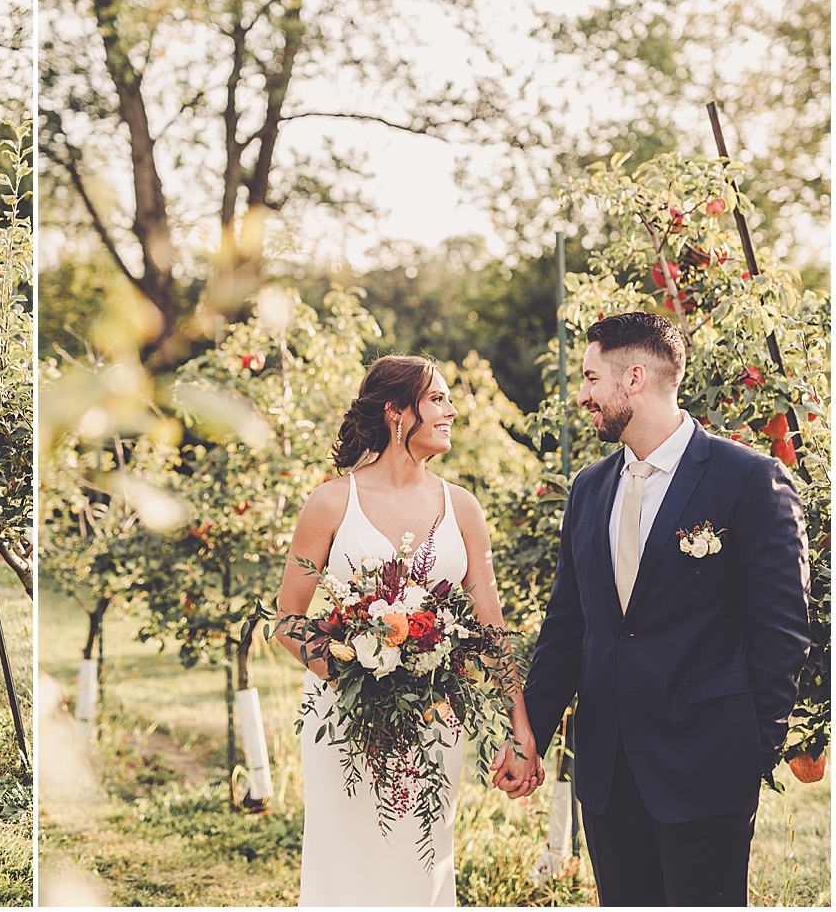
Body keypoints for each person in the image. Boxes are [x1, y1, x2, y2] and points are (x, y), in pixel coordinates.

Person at [508, 312, 810, 906]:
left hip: (708, 766)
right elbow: (568, 628)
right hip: (606, 772)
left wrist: (753, 749)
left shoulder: (749, 480)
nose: (582, 395)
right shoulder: (589, 489)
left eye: (592, 378)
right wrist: (530, 738)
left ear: (635, 378)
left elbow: (782, 631)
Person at [277, 354, 540, 908]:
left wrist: (520, 726)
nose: (452, 410)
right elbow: (288, 622)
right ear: (397, 412)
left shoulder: (462, 509)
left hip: (433, 718)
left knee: (422, 861)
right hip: (344, 718)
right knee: (345, 863)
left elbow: (492, 631)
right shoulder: (330, 503)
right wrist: (357, 675)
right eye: (437, 399)